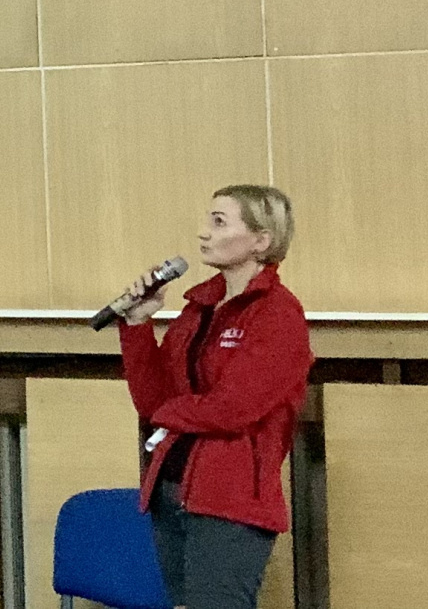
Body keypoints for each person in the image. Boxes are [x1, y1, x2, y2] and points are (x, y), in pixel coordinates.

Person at [108, 185, 311, 609]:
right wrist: (138, 325)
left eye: (219, 223)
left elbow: (233, 409)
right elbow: (152, 402)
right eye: (208, 221)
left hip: (230, 500)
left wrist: (168, 413)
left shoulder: (278, 314)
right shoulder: (199, 307)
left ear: (261, 240)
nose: (204, 233)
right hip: (170, 489)